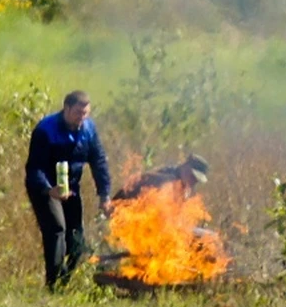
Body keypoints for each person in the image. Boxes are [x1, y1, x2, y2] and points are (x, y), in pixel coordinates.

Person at [25, 90, 112, 290]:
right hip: (45, 188)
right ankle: (53, 285)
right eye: (78, 113)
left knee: (76, 237)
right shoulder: (46, 129)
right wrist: (48, 190)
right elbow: (34, 168)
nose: (82, 118)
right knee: (57, 230)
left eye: (85, 114)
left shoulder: (88, 129)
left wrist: (104, 195)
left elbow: (99, 162)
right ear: (66, 108)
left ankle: (66, 280)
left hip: (70, 187)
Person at [112, 153, 209, 202]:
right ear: (186, 166)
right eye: (192, 176)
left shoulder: (184, 188)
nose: (193, 181)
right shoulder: (165, 179)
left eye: (196, 180)